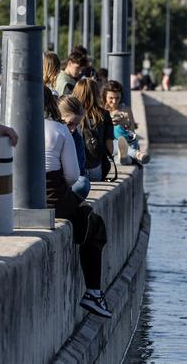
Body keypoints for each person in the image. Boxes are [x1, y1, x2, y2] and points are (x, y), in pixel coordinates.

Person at [42, 88, 110, 318]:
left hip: (15, 195)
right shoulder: (59, 130)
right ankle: (93, 293)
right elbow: (72, 176)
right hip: (52, 194)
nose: (71, 129)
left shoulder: (13, 126)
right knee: (95, 223)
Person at [73, 78, 114, 182]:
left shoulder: (71, 116)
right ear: (96, 93)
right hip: (95, 167)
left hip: (74, 166)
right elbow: (110, 148)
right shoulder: (104, 115)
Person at [100, 80, 149, 165]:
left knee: (124, 156)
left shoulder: (126, 110)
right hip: (109, 144)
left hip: (127, 142)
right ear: (105, 96)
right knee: (115, 143)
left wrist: (125, 122)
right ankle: (137, 154)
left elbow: (132, 132)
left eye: (117, 98)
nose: (114, 101)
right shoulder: (101, 110)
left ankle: (120, 157)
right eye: (111, 98)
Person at [57, 95, 90, 199]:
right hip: (50, 184)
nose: (73, 129)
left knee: (83, 184)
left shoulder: (77, 138)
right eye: (70, 124)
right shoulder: (49, 134)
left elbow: (79, 170)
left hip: (67, 183)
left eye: (76, 125)